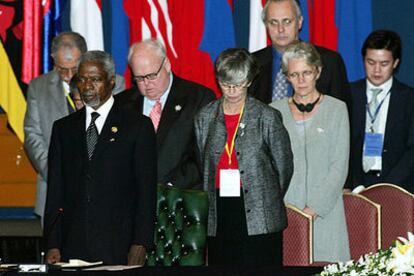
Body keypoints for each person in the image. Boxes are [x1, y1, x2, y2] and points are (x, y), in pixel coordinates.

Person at [44, 50, 157, 265]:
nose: (87, 86)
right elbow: (55, 190)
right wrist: (52, 242)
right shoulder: (63, 128)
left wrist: (141, 242)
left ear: (111, 81)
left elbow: (146, 191)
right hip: (72, 243)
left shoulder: (137, 126)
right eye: (82, 79)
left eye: (95, 79)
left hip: (118, 243)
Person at [194, 48, 293, 266]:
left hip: (260, 211)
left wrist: (267, 197)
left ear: (248, 81)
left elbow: (284, 166)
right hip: (219, 211)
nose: (231, 90)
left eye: (238, 84)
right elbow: (203, 164)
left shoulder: (266, 117)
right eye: (225, 84)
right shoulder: (205, 117)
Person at [24, 32, 125, 222]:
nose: (70, 76)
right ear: (53, 59)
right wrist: (55, 174)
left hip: (103, 190)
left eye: (74, 68)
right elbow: (32, 135)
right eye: (63, 69)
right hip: (54, 190)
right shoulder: (38, 86)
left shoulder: (114, 84)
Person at [270, 41, 350, 262]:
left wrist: (312, 209)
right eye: (294, 74)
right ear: (286, 76)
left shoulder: (337, 109)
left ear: (318, 71)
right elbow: (270, 167)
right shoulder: (274, 111)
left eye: (306, 72)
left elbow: (339, 166)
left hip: (327, 214)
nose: (301, 80)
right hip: (286, 215)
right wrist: (288, 211)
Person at [115, 39, 215, 189]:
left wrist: (166, 187)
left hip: (179, 199)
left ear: (167, 65)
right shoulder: (121, 104)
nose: (147, 84)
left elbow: (205, 156)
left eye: (152, 76)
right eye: (140, 79)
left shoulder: (198, 98)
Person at [250, 0, 350, 109]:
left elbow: (342, 114)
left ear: (300, 22)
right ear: (266, 25)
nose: (280, 29)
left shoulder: (329, 62)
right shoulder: (252, 63)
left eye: (287, 21)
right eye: (274, 22)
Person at [349, 30, 414, 193]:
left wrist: (388, 187)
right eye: (371, 62)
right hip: (356, 187)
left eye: (384, 63)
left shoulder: (409, 98)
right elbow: (341, 146)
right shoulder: (348, 94)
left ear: (396, 62)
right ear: (363, 60)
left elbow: (411, 151)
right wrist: (356, 184)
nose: (376, 70)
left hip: (398, 187)